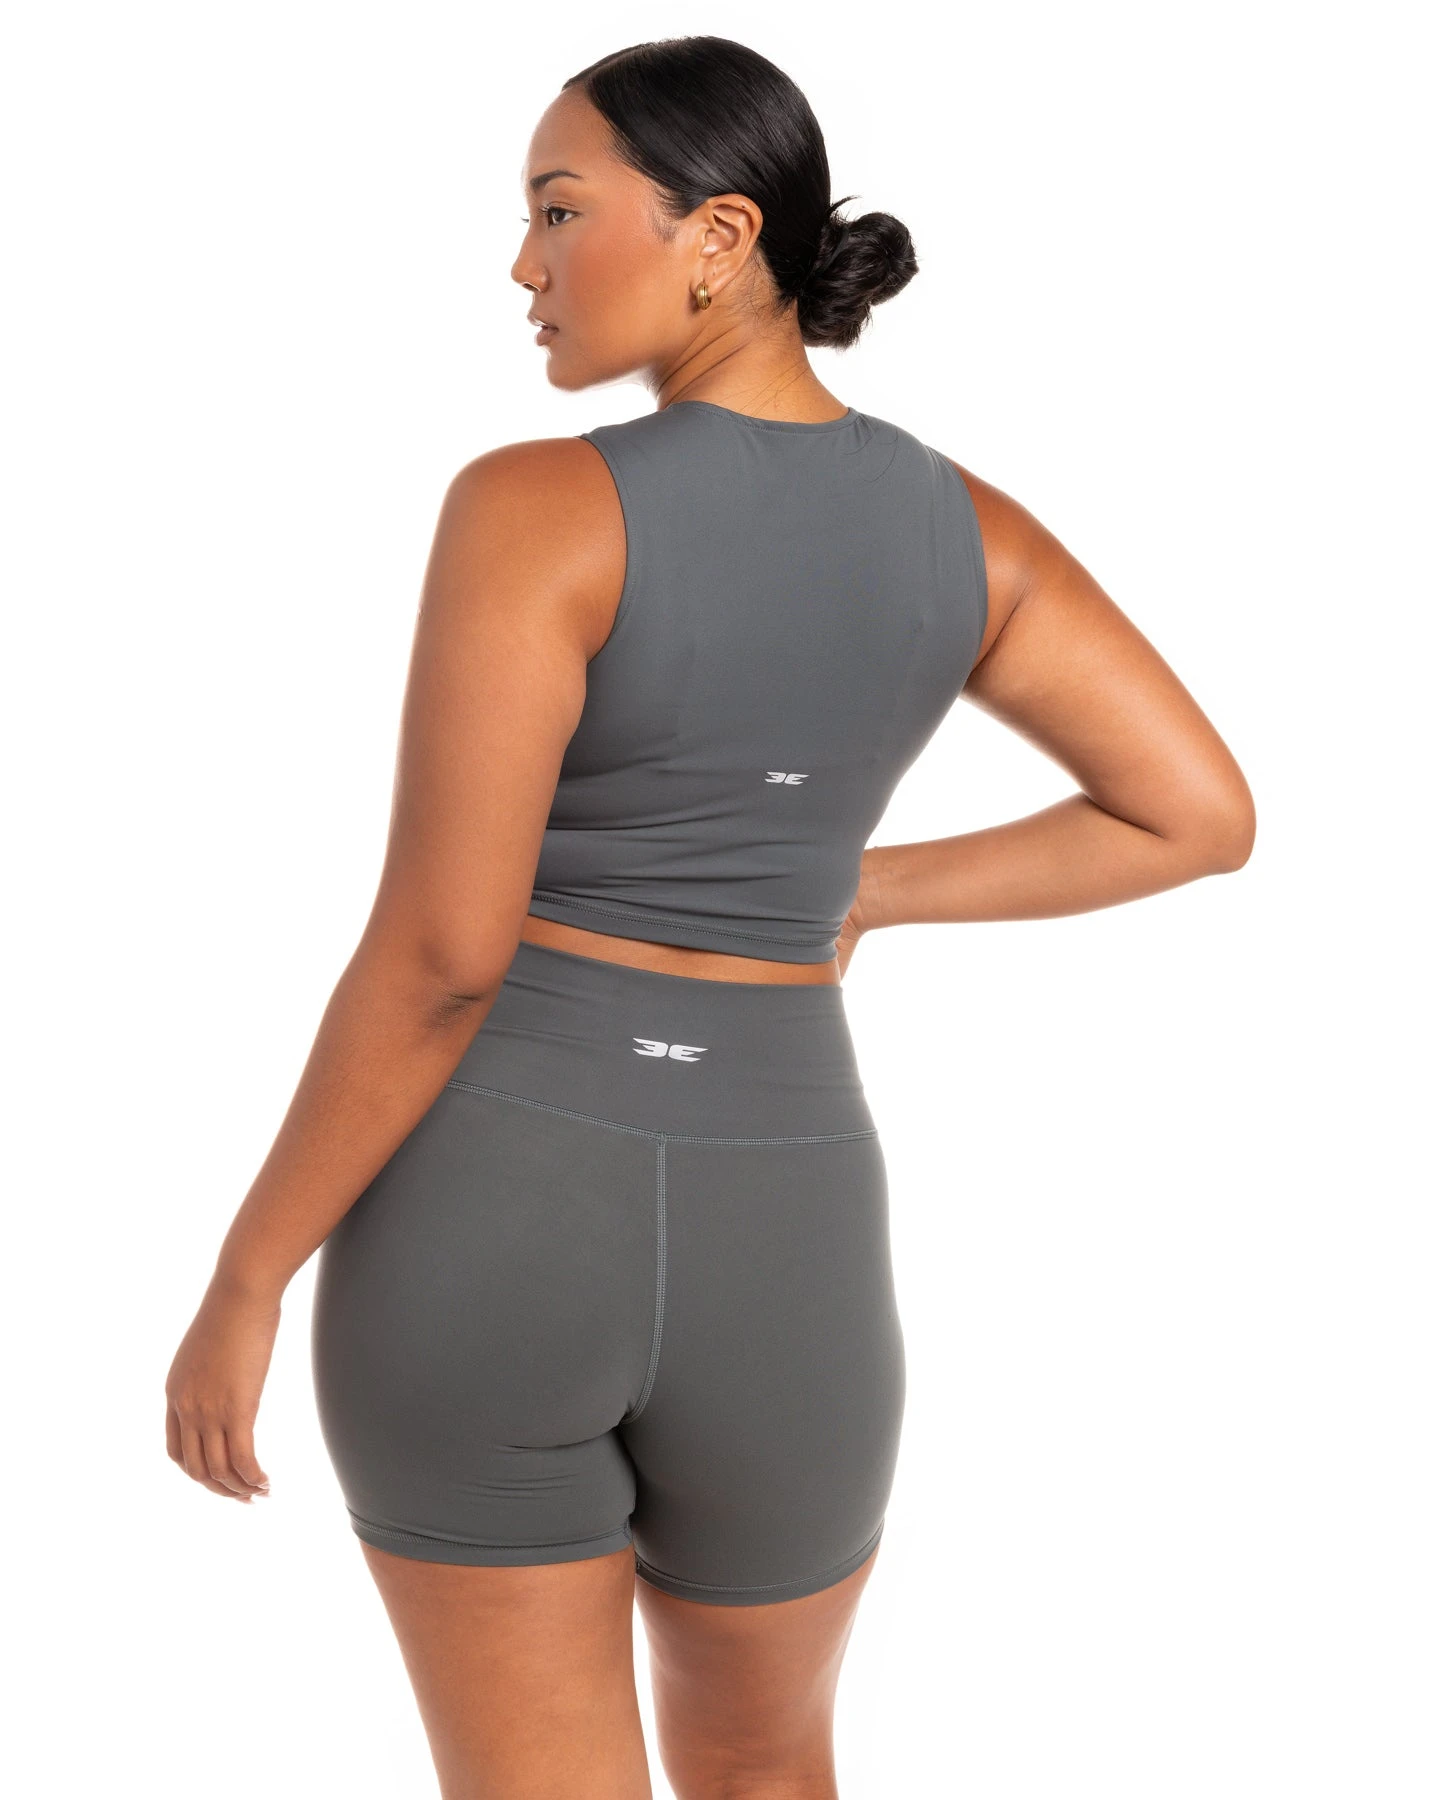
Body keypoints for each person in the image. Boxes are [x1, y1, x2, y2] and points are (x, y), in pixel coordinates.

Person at [163, 34, 1255, 1800]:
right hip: (792, 1228)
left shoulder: (535, 506)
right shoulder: (972, 535)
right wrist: (861, 890)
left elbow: (442, 958)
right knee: (767, 1774)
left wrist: (247, 1271)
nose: (521, 264)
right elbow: (1197, 815)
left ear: (719, 234)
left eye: (558, 210)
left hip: (497, 1210)